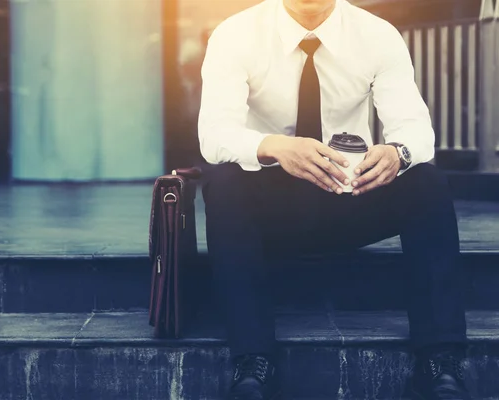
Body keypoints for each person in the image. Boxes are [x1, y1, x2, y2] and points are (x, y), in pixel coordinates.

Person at [197, 0, 472, 399]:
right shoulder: (236, 34)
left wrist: (398, 153)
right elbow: (215, 135)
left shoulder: (376, 35)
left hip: (351, 193)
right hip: (270, 210)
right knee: (223, 183)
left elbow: (415, 129)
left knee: (426, 181)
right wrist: (276, 147)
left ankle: (440, 359)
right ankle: (252, 361)